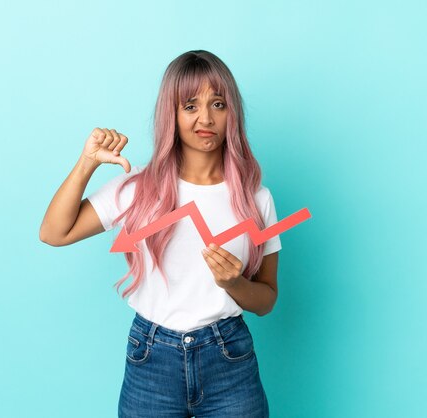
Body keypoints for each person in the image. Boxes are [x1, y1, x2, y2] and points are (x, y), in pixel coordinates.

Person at [39, 50, 281, 418]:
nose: (205, 118)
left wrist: (234, 283)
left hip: (229, 358)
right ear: (172, 114)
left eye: (218, 103)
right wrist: (87, 161)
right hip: (151, 358)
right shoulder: (138, 188)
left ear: (232, 112)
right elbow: (54, 233)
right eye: (189, 105)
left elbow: (266, 301)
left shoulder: (256, 199)